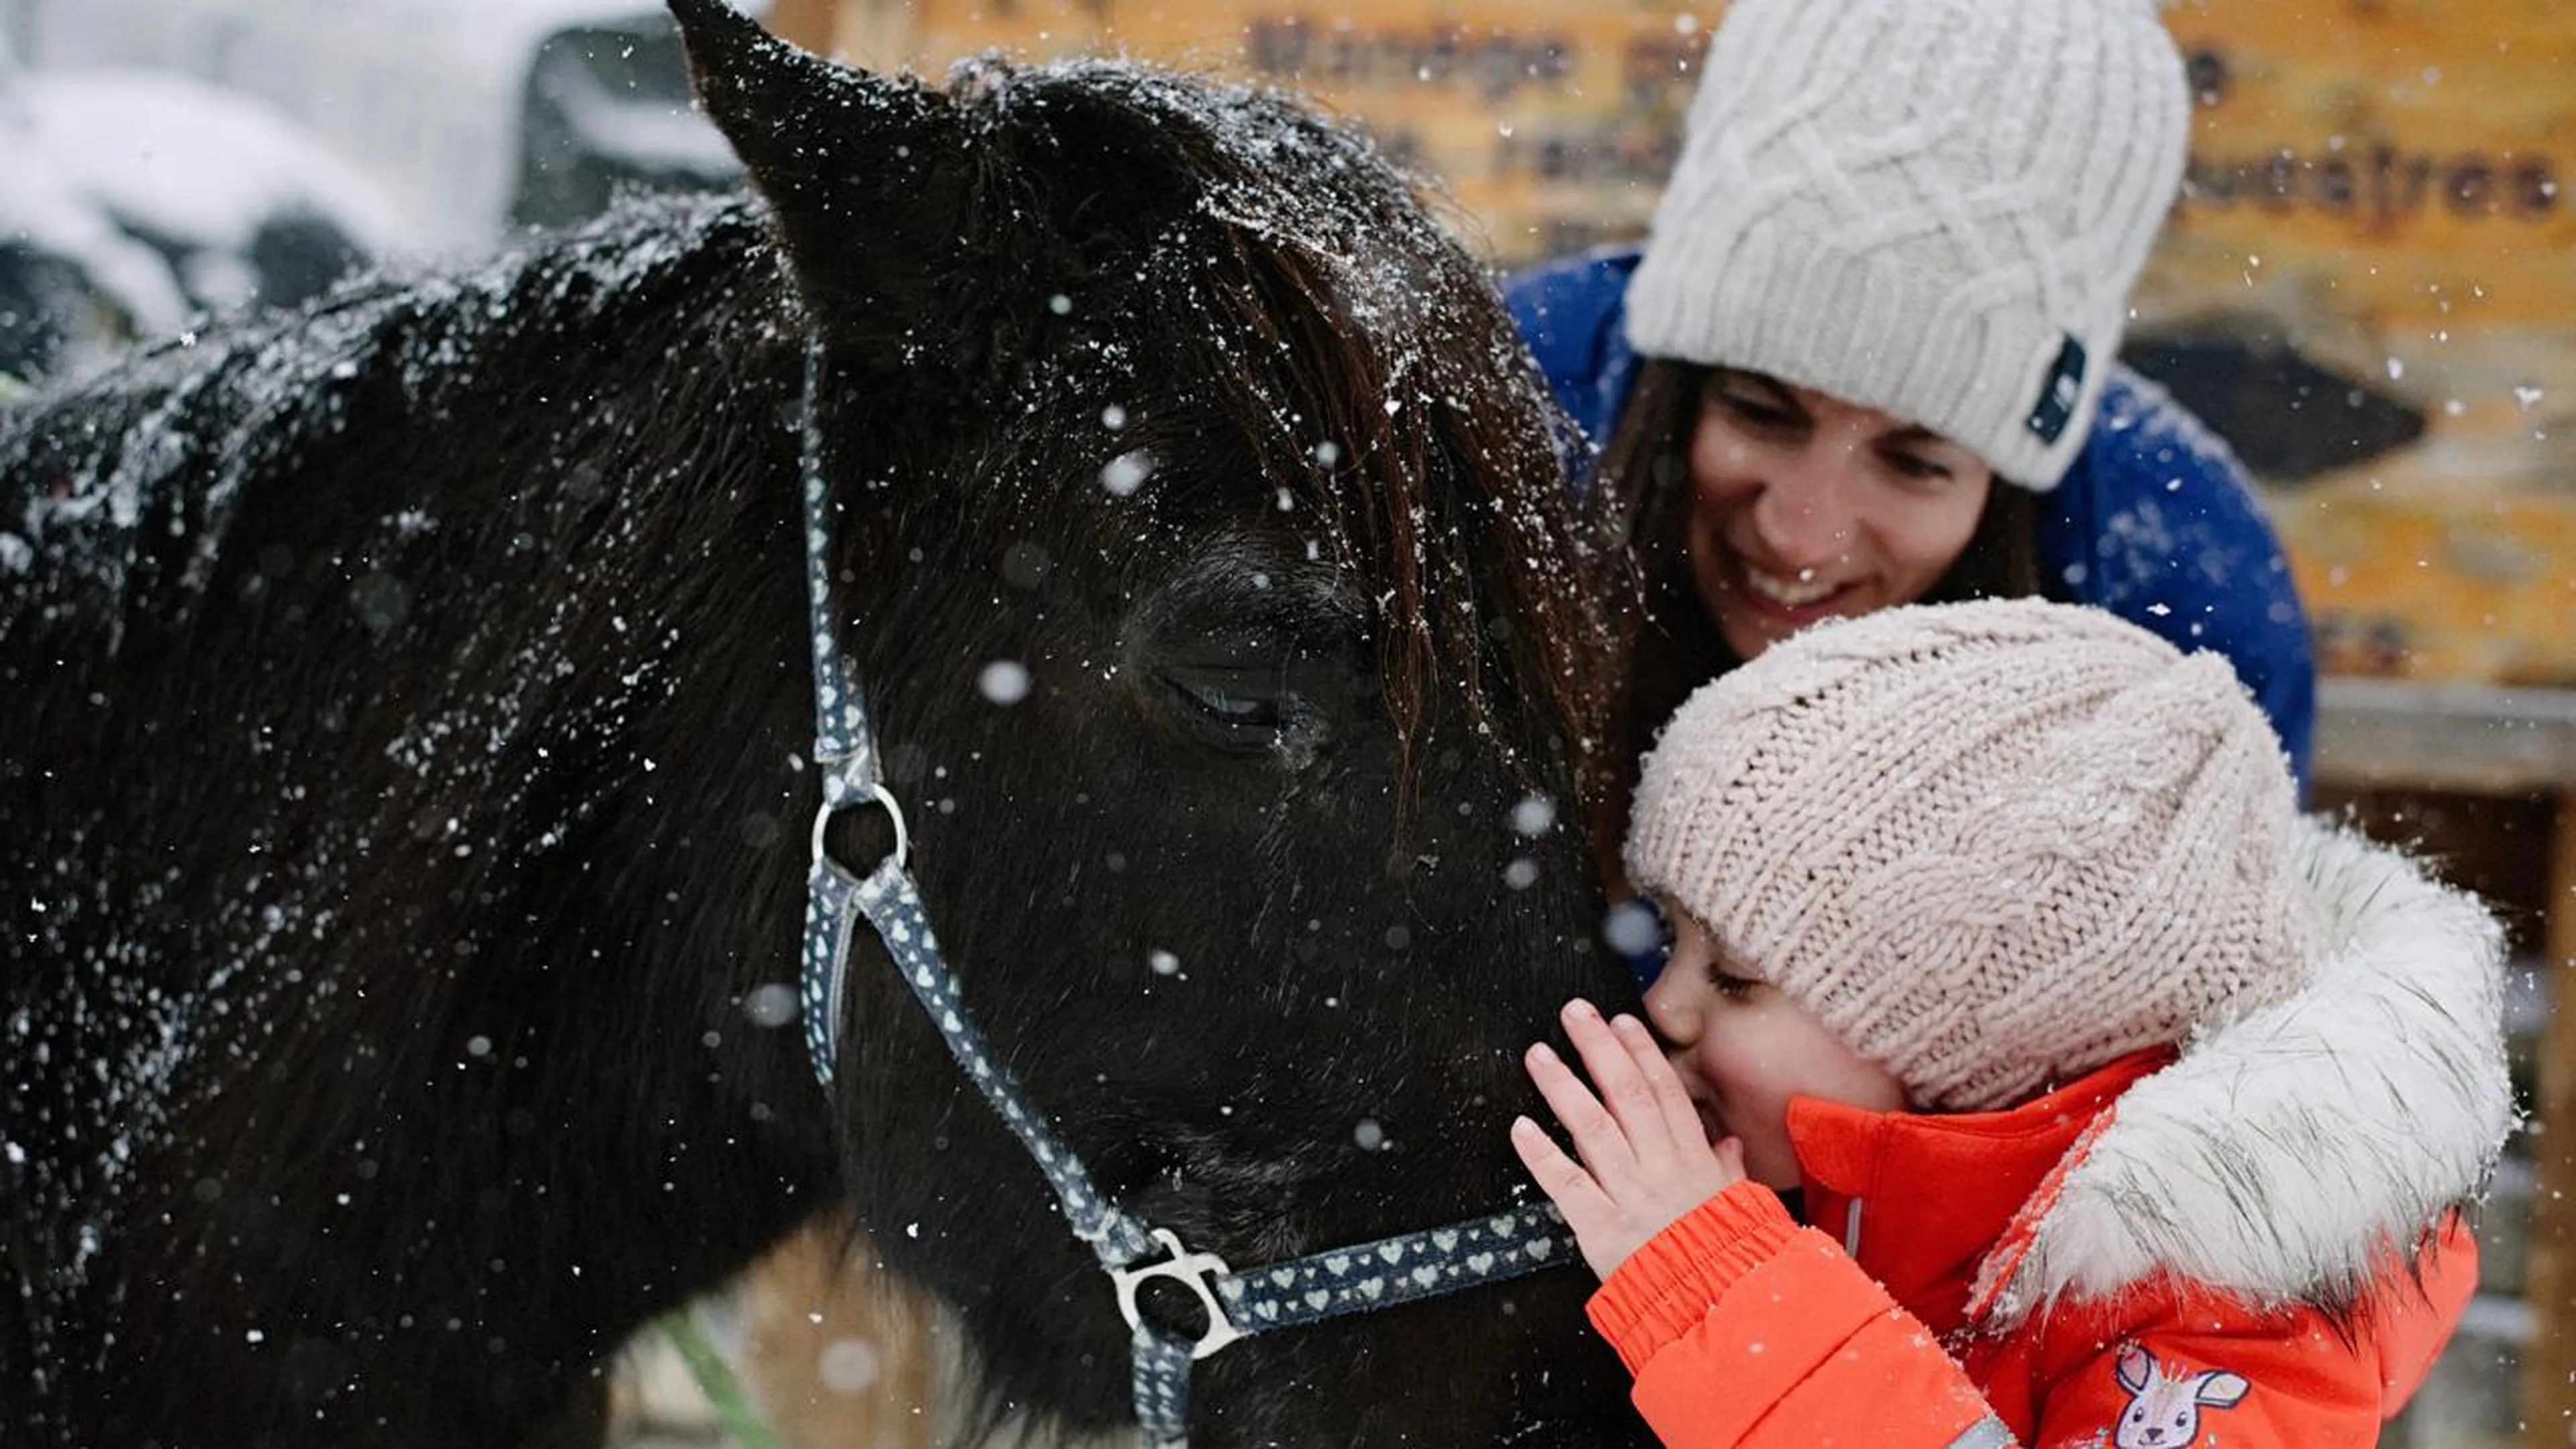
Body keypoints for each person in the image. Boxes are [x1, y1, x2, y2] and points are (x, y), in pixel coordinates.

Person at [1508, 598, 2516, 1447]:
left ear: (1993, 1044)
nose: (1664, 1007)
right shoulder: (1864, 1199)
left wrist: (1727, 1303)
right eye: (1673, 942)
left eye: (1734, 977)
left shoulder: (2231, 1308)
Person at [1505, 0, 2320, 809]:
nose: (1801, 536)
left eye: (1917, 462)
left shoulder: (2181, 604)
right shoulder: (1497, 418)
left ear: (2008, 476)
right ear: (1680, 382)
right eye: (1760, 412)